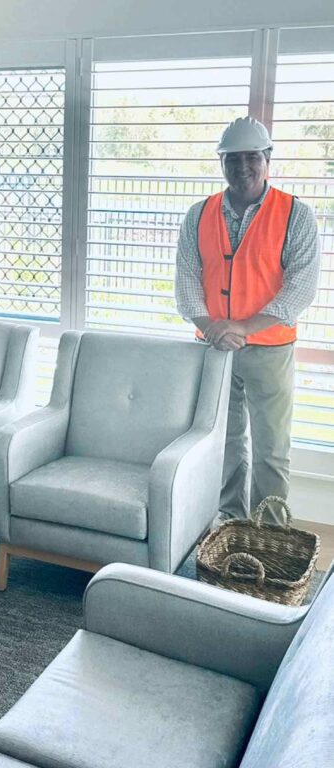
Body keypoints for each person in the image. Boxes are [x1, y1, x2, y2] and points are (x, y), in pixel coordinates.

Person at [175, 116, 320, 523]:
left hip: (270, 351)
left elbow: (300, 288)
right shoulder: (198, 214)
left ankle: (270, 535)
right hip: (215, 349)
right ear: (221, 163)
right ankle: (229, 525)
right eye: (232, 159)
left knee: (271, 449)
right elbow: (186, 282)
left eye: (251, 157)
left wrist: (242, 327)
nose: (242, 167)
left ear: (267, 159)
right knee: (223, 443)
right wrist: (213, 327)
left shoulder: (296, 215)